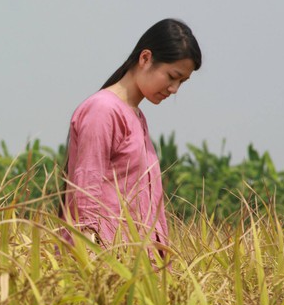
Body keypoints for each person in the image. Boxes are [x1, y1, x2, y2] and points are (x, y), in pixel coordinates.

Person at [61, 18, 202, 255]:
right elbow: (86, 189)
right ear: (145, 58)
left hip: (133, 268)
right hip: (105, 265)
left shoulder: (135, 116)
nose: (174, 89)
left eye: (182, 82)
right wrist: (92, 267)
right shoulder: (103, 110)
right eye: (171, 76)